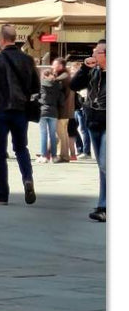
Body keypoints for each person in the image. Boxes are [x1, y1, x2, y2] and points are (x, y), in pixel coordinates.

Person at [0, 25, 39, 205]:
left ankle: (2, 194)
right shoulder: (27, 60)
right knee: (21, 148)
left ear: (1, 39)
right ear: (14, 38)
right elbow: (35, 86)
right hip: (20, 110)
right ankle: (27, 178)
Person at [70, 40, 106, 222]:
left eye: (97, 52)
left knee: (107, 164)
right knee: (102, 167)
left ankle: (105, 206)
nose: (93, 55)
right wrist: (84, 68)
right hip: (94, 122)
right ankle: (103, 204)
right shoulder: (93, 71)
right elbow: (74, 86)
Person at [51, 57, 75, 162]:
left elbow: (56, 92)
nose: (52, 67)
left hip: (62, 110)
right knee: (64, 134)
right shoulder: (67, 75)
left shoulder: (62, 78)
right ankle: (64, 155)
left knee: (61, 134)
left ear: (60, 66)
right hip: (67, 110)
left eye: (54, 65)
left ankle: (63, 155)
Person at [36, 68, 61, 163]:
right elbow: (60, 99)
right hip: (54, 111)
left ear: (44, 75)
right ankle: (53, 156)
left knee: (43, 134)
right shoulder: (57, 85)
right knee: (52, 134)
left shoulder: (41, 84)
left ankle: (44, 156)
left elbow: (37, 96)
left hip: (43, 111)